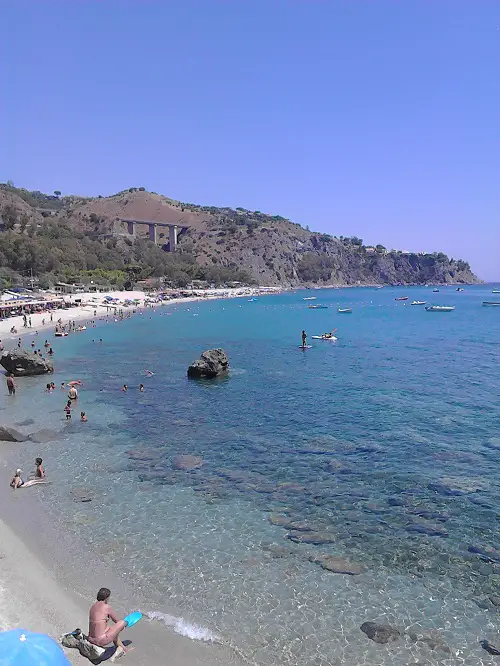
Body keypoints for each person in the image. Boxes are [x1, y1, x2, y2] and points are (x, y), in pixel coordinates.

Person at [88, 588, 129, 658]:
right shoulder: (106, 607)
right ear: (106, 598)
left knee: (112, 629)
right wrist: (126, 624)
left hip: (91, 639)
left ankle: (122, 648)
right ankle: (121, 649)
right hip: (100, 641)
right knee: (121, 623)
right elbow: (117, 621)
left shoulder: (93, 606)